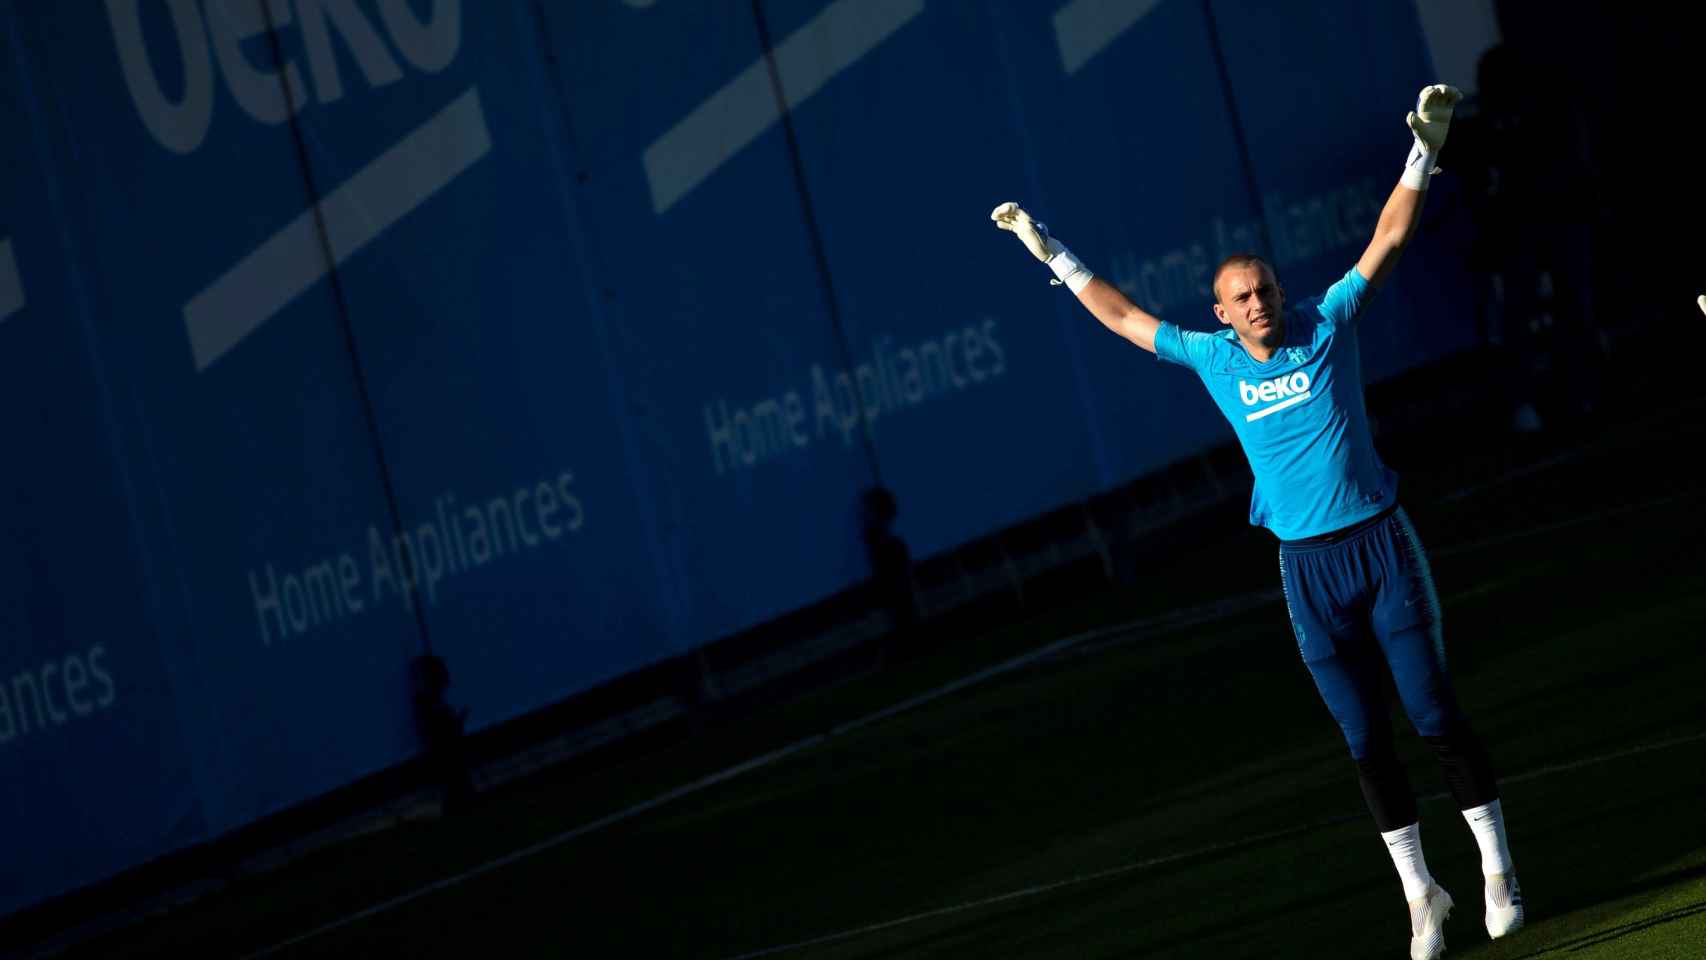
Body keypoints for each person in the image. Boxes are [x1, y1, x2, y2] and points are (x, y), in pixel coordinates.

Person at [992, 85, 1521, 960]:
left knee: (1433, 715)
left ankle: (1497, 870)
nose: (1260, 303)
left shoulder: (1327, 323)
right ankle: (1421, 894)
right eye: (1243, 296)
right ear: (1223, 313)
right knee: (1364, 740)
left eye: (1267, 288)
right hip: (1307, 573)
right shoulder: (1210, 359)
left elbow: (1388, 236)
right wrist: (1044, 245)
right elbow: (1122, 315)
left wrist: (1424, 148)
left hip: (1381, 546)